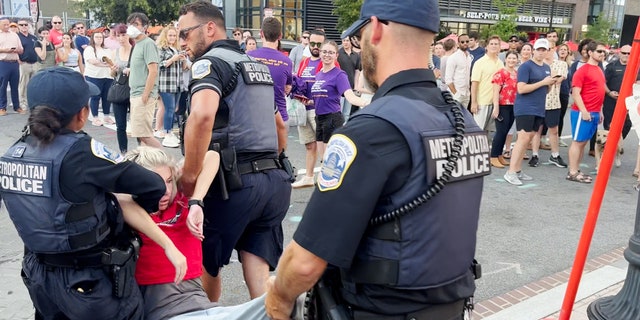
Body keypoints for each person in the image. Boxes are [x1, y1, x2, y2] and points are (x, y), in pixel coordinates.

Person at [265, 0, 488, 318]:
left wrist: (278, 297)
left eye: (362, 35)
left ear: (377, 28)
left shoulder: (372, 129)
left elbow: (303, 263)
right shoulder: (463, 120)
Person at [0, 67, 186, 320]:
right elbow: (153, 185)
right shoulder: (81, 152)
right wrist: (136, 208)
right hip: (90, 283)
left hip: (39, 278)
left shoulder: (13, 153)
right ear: (82, 113)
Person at [178, 1, 292, 302]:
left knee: (206, 263)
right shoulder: (255, 65)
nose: (181, 42)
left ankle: (209, 312)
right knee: (258, 270)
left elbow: (202, 116)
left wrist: (190, 176)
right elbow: (280, 125)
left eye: (185, 34)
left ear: (210, 28)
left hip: (233, 184)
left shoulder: (211, 64)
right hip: (273, 182)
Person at [118, 147, 220, 319]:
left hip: (199, 302)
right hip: (160, 308)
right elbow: (119, 197)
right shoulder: (130, 208)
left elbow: (211, 156)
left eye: (168, 181)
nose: (165, 190)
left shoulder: (181, 197)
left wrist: (196, 201)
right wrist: (168, 246)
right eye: (154, 183)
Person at [504, 39, 556, 186]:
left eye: (543, 49)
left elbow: (546, 89)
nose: (541, 52)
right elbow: (521, 88)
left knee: (528, 140)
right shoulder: (526, 66)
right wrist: (543, 83)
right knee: (522, 138)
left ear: (547, 51)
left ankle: (518, 170)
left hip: (539, 108)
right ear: (534, 50)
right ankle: (511, 171)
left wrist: (550, 83)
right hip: (525, 107)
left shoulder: (546, 67)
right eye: (538, 49)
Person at [310, 40, 368, 158]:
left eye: (331, 52)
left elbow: (350, 96)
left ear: (336, 55)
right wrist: (308, 101)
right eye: (324, 52)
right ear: (320, 53)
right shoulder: (319, 74)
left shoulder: (339, 75)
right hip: (319, 118)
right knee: (323, 159)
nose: (327, 55)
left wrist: (367, 103)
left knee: (330, 160)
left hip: (332, 119)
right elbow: (319, 97)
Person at [290, 30, 325, 188]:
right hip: (303, 109)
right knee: (309, 145)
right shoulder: (304, 62)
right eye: (313, 43)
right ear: (308, 43)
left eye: (320, 44)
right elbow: (298, 80)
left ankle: (328, 179)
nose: (316, 47)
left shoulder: (328, 61)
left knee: (324, 145)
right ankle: (309, 177)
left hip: (320, 109)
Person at [567, 41, 607, 183]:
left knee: (583, 143)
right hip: (582, 112)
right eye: (599, 51)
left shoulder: (599, 70)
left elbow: (599, 91)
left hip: (594, 112)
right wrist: (584, 111)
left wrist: (600, 111)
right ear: (590, 53)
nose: (602, 54)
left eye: (604, 52)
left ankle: (576, 170)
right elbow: (576, 93)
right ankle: (572, 172)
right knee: (577, 142)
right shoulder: (582, 70)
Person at [247, 17, 293, 127]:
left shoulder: (248, 57)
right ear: (280, 36)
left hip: (254, 116)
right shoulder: (287, 61)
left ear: (261, 33)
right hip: (280, 117)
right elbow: (287, 88)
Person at [127, 12, 162, 148]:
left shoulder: (148, 44)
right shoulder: (137, 44)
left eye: (136, 24)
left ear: (144, 27)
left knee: (145, 135)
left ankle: (166, 162)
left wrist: (145, 95)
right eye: (130, 24)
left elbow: (153, 70)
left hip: (143, 94)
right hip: (135, 93)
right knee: (140, 134)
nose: (132, 27)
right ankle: (148, 164)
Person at [156, 25, 186, 148]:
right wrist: (173, 59)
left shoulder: (176, 49)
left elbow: (183, 68)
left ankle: (167, 131)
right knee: (169, 108)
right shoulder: (162, 49)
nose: (172, 37)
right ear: (165, 36)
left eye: (174, 35)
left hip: (177, 84)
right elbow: (159, 65)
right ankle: (167, 133)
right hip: (166, 84)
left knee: (173, 109)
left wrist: (183, 59)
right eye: (170, 35)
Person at [490, 50, 518, 168]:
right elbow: (495, 91)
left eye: (514, 58)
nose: (511, 60)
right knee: (500, 131)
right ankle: (493, 156)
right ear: (505, 59)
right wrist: (496, 107)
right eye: (509, 58)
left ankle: (499, 154)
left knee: (506, 131)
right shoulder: (500, 73)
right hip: (502, 105)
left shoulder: (517, 74)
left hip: (513, 105)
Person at [83, 30, 117, 126]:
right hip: (94, 75)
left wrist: (110, 66)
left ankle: (106, 116)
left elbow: (112, 60)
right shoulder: (89, 49)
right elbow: (93, 61)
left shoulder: (106, 49)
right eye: (97, 37)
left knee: (107, 97)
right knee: (95, 96)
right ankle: (95, 117)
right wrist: (106, 65)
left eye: (100, 37)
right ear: (93, 38)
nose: (99, 39)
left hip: (107, 76)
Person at [470, 35, 504, 131]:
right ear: (487, 46)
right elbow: (474, 84)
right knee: (478, 130)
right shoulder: (479, 62)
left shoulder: (501, 63)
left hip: (496, 103)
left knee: (489, 132)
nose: (494, 46)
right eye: (491, 44)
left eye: (496, 44)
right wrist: (474, 102)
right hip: (482, 102)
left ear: (499, 47)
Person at [111, 24, 134, 154]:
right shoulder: (115, 52)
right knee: (120, 126)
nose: (120, 38)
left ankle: (142, 153)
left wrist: (133, 70)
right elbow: (112, 75)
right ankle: (123, 153)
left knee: (137, 126)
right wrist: (113, 70)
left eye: (123, 35)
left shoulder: (136, 50)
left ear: (129, 35)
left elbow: (144, 70)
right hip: (119, 90)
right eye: (118, 35)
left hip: (134, 90)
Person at [0, 17, 24, 116]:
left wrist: (17, 50)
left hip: (14, 62)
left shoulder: (14, 35)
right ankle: (2, 107)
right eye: (4, 24)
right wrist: (6, 50)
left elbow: (21, 49)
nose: (6, 26)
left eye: (7, 24)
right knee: (2, 86)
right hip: (3, 62)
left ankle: (17, 106)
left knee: (15, 86)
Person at [337, 35, 361, 121]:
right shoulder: (338, 54)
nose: (345, 43)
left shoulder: (356, 56)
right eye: (343, 41)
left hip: (350, 87)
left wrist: (356, 86)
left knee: (347, 113)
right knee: (339, 112)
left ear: (351, 42)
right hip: (339, 88)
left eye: (347, 41)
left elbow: (357, 71)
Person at [17, 19, 39, 112]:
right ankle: (23, 103)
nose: (24, 26)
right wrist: (18, 60)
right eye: (21, 25)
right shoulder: (17, 37)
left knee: (34, 84)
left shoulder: (33, 37)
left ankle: (34, 103)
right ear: (18, 26)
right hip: (24, 63)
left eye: (25, 24)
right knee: (23, 85)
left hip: (34, 63)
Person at [445, 33, 472, 106]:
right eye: (462, 42)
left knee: (464, 116)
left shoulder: (469, 57)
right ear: (458, 44)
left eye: (467, 41)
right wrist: (456, 94)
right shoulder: (453, 57)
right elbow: (448, 79)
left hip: (466, 94)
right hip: (456, 94)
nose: (465, 43)